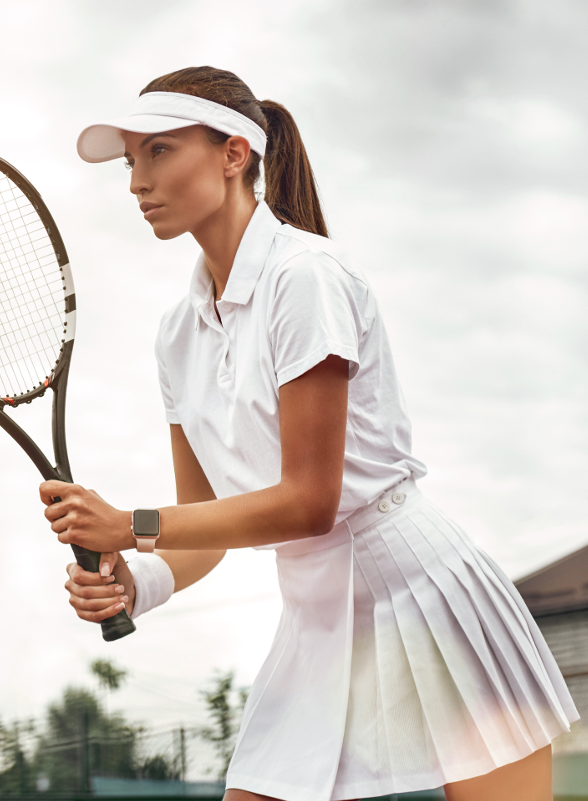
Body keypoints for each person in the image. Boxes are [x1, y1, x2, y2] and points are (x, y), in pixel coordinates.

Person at [41, 66, 578, 801]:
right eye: (130, 160)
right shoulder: (175, 336)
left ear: (235, 154)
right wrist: (144, 580)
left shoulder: (308, 278)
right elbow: (207, 527)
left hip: (428, 595)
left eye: (158, 151)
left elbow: (309, 502)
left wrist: (129, 524)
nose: (137, 180)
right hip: (318, 623)